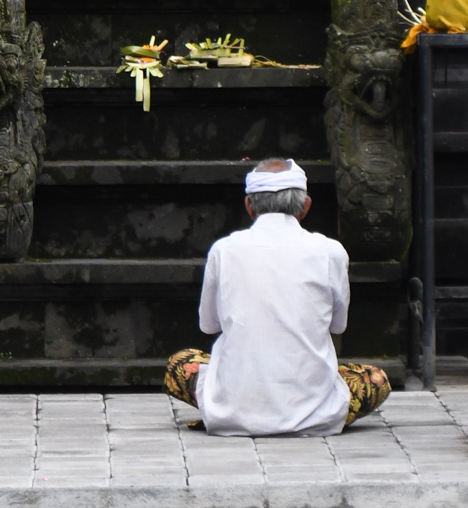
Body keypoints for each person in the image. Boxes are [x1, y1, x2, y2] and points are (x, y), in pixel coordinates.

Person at [164, 157, 391, 436]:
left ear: (249, 206)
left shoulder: (224, 250)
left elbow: (209, 325)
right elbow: (338, 326)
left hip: (233, 410)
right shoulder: (331, 252)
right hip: (314, 411)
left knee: (180, 363)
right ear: (305, 206)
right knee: (375, 379)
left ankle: (239, 410)